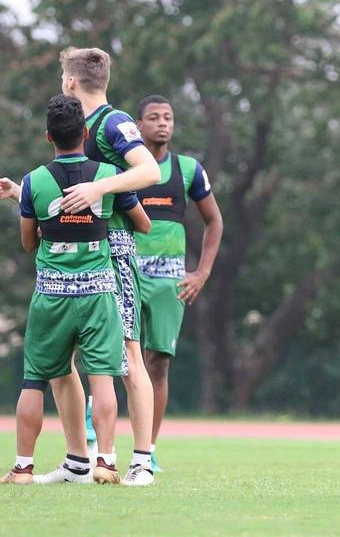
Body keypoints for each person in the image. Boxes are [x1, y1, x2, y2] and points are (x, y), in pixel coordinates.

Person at [0, 95, 148, 485]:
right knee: (103, 378)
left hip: (52, 296)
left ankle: (23, 467)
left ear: (48, 136)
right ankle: (106, 461)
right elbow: (142, 223)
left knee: (35, 380)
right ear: (85, 132)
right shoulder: (106, 176)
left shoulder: (34, 181)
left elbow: (29, 242)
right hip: (99, 294)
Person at [49, 46, 161, 486]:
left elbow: (148, 169)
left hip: (113, 247)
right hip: (78, 250)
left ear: (71, 82)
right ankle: (79, 460)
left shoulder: (114, 122)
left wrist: (100, 189)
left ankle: (143, 461)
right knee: (68, 355)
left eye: (63, 76)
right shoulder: (78, 127)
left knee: (129, 355)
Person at [134, 95, 223, 472]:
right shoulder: (125, 169)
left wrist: (201, 272)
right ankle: (96, 442)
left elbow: (214, 221)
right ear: (138, 127)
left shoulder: (188, 169)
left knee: (158, 365)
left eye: (167, 117)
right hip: (128, 275)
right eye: (153, 117)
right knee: (112, 359)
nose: (162, 123)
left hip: (170, 282)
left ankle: (147, 451)